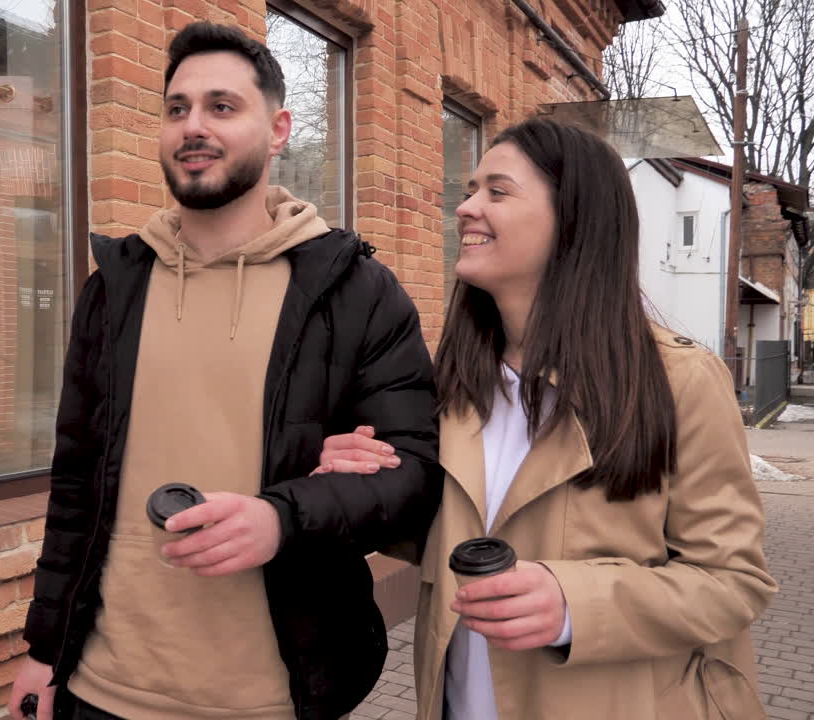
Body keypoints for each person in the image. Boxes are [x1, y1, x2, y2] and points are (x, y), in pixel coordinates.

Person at [7, 20, 442, 720]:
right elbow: (76, 484)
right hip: (102, 687)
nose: (193, 126)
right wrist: (44, 647)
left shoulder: (354, 290)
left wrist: (282, 517)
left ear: (277, 130)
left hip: (270, 696)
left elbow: (414, 472)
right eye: (176, 109)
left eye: (221, 106)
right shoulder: (115, 287)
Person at [315, 117, 777, 719]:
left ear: (574, 221)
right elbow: (437, 536)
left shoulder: (679, 382)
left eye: (497, 192)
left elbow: (732, 581)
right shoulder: (452, 384)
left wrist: (572, 603)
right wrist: (365, 489)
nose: (467, 209)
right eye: (469, 190)